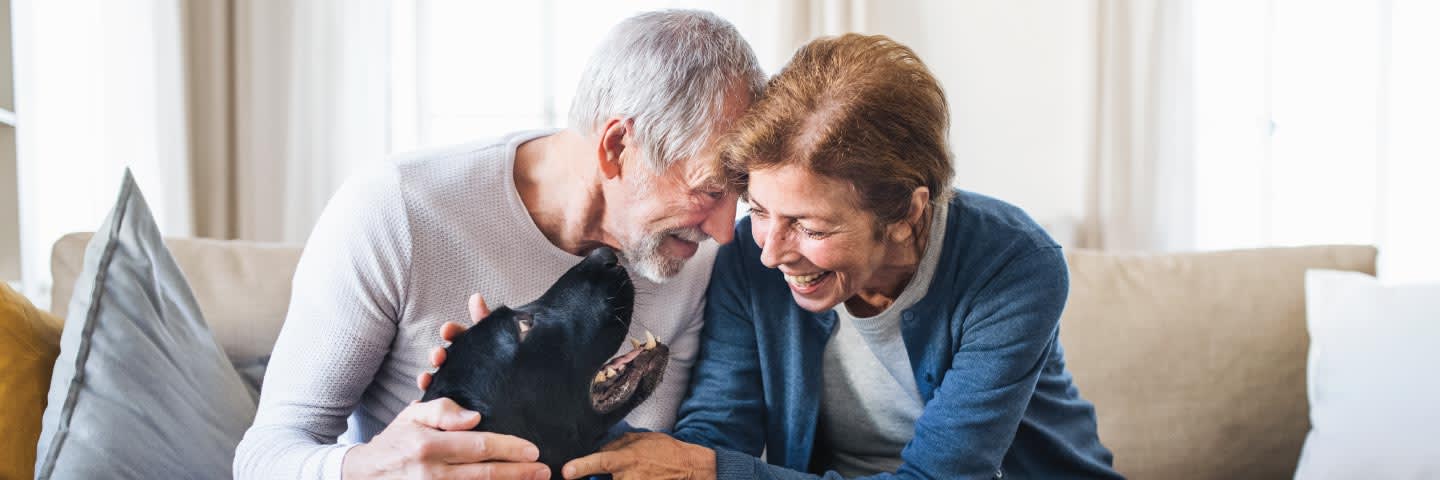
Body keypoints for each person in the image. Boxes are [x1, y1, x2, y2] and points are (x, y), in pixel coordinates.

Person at [555, 33, 1124, 479]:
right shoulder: (752, 254)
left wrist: (712, 471)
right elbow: (715, 436)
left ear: (906, 213)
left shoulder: (1014, 266)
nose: (772, 252)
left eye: (808, 226)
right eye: (758, 208)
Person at [232, 10, 766, 480]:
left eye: (737, 196)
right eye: (708, 191)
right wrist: (371, 467)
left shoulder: (693, 254)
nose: (725, 231)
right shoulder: (398, 208)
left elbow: (665, 458)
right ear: (618, 146)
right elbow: (262, 457)